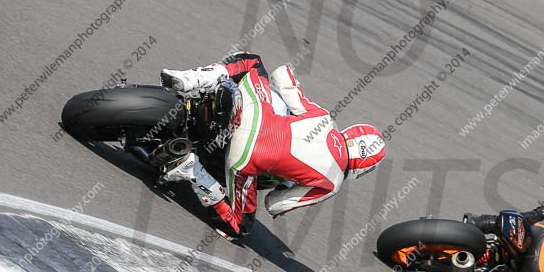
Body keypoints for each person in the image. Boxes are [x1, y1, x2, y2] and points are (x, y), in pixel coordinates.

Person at [158, 52, 386, 240]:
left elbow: (282, 76)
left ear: (351, 133)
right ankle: (194, 171)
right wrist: (288, 183)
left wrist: (293, 77)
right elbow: (275, 204)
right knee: (239, 227)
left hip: (253, 113)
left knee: (252, 62)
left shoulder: (325, 119)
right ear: (362, 169)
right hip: (245, 158)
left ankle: (190, 79)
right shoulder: (331, 184)